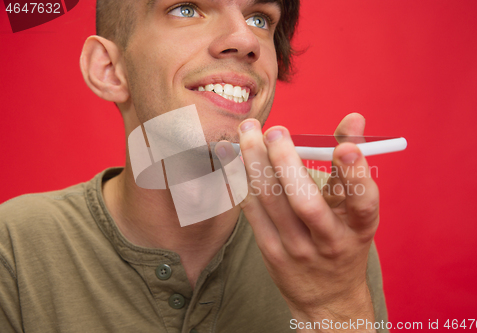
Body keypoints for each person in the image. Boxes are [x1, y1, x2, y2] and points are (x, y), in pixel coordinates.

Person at [0, 0, 389, 332]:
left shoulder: (324, 219)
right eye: (186, 8)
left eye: (259, 18)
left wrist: (335, 304)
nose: (245, 40)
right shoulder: (14, 247)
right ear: (109, 69)